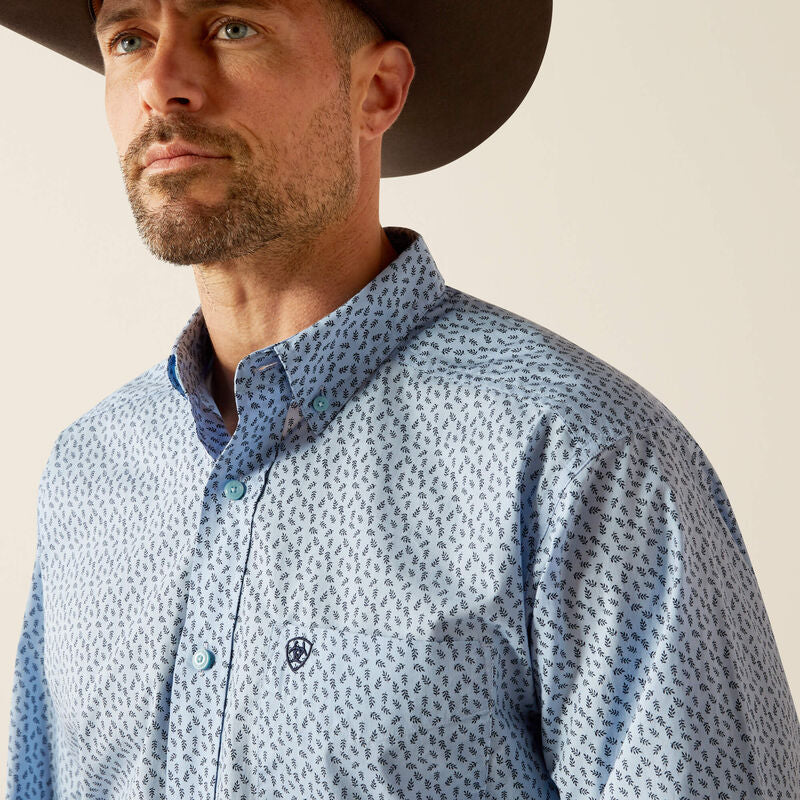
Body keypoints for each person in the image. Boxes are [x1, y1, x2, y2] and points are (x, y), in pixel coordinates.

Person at [3, 0, 799, 797]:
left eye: (233, 27)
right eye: (130, 39)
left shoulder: (580, 459)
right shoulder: (90, 474)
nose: (161, 82)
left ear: (378, 90)